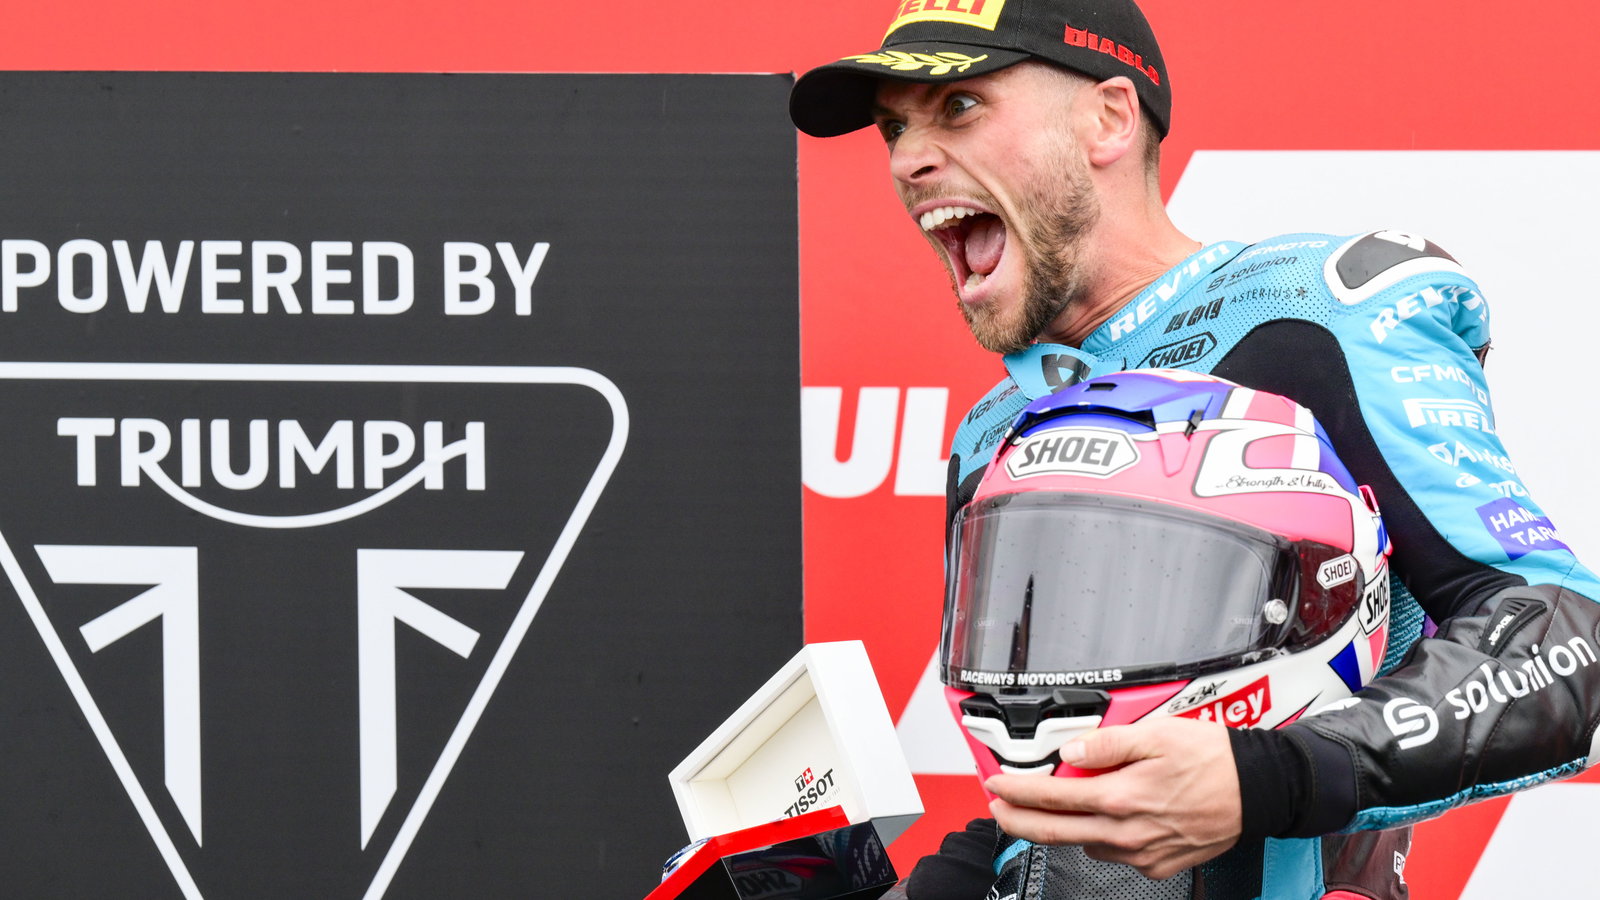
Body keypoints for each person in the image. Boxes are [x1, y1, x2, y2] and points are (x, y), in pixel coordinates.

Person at [788, 1, 1600, 898]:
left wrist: (1268, 777)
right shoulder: (993, 433)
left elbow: (1565, 636)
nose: (907, 160)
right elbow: (1053, 794)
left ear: (1108, 118)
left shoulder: (1313, 317)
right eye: (896, 127)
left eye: (960, 108)